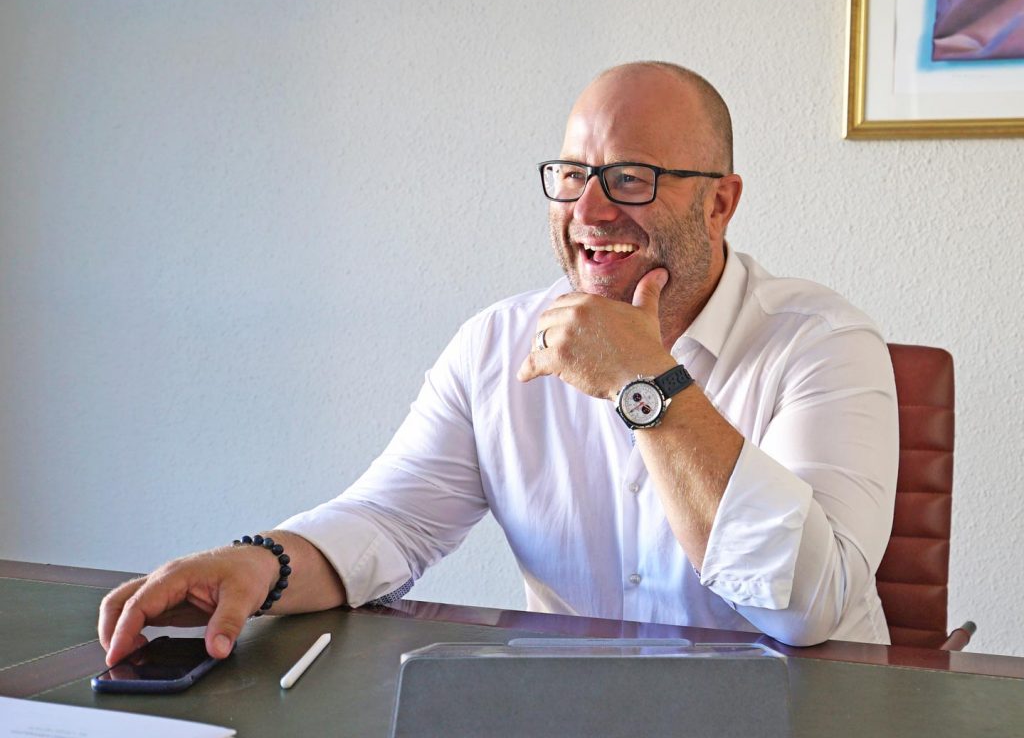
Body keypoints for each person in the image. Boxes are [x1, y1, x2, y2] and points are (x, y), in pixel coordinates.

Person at [99, 61, 898, 666]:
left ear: (719, 202)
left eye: (631, 179)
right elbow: (389, 522)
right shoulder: (495, 343)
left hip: (806, 734)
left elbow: (807, 606)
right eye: (573, 176)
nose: (588, 210)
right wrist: (260, 562)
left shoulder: (824, 342)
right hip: (574, 733)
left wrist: (644, 383)